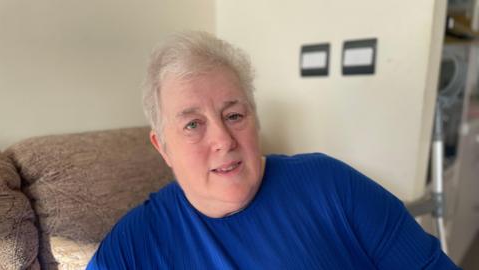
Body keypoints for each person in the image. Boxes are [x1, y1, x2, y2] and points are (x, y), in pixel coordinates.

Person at [87, 31, 459, 269]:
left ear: (255, 119)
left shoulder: (330, 184)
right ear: (163, 147)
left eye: (233, 115)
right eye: (192, 124)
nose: (223, 140)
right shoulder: (134, 247)